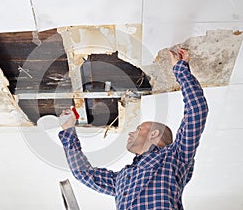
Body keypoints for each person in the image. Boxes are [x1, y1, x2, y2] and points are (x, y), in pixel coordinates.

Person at [58, 48, 209, 210]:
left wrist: (181, 69)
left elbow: (197, 110)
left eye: (138, 129)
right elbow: (84, 173)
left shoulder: (174, 158)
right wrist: (68, 130)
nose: (131, 132)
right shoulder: (123, 179)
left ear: (155, 133)